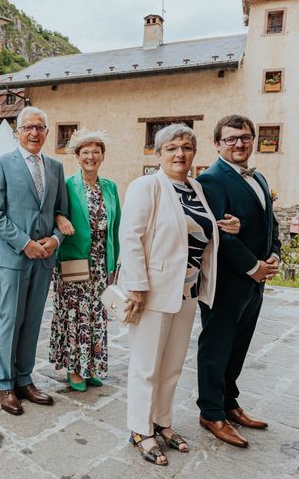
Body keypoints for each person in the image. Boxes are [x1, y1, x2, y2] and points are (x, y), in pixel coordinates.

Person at [119, 124, 240, 466]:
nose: (179, 154)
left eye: (186, 148)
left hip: (186, 290)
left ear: (194, 154)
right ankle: (140, 429)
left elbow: (198, 228)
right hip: (153, 291)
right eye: (171, 148)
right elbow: (130, 237)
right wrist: (137, 286)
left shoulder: (196, 187)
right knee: (146, 366)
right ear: (158, 154)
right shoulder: (147, 186)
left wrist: (224, 228)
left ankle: (162, 421)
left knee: (171, 366)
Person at [196, 115, 281, 448]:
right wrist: (252, 266)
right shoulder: (211, 179)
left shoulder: (258, 176)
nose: (239, 144)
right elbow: (218, 234)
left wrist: (273, 254)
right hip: (227, 280)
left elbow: (269, 222)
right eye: (230, 139)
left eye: (245, 137)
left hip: (255, 282)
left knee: (238, 346)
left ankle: (230, 403)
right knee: (216, 347)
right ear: (217, 144)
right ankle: (211, 412)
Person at [0, 106, 69, 415]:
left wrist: (55, 240)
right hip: (13, 258)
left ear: (47, 132)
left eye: (40, 127)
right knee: (11, 321)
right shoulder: (2, 164)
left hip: (44, 258)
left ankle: (24, 379)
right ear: (18, 132)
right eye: (28, 127)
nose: (34, 132)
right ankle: (5, 384)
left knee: (33, 321)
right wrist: (24, 243)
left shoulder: (56, 167)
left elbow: (62, 213)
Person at [50, 129, 120, 391]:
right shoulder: (68, 185)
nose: (91, 156)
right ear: (78, 157)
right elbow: (54, 212)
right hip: (75, 261)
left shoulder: (110, 187)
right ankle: (74, 369)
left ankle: (91, 367)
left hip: (102, 264)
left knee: (96, 317)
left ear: (102, 156)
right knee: (74, 317)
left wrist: (114, 264)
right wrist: (60, 218)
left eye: (96, 152)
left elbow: (116, 226)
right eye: (85, 152)